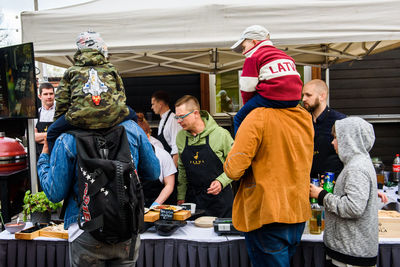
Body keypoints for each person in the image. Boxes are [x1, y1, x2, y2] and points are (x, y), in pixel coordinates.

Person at [37, 119, 160, 266]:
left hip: (85, 228)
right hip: (127, 227)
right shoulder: (133, 129)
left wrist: (44, 159)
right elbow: (153, 172)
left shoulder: (66, 138)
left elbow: (54, 193)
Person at [224, 105, 314, 266]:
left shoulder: (258, 116)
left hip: (267, 214)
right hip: (297, 212)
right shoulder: (303, 115)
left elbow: (233, 170)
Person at [46, 31, 136, 153]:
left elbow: (62, 101)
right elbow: (121, 95)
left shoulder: (71, 71)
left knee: (51, 133)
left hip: (79, 118)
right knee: (134, 118)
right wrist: (116, 110)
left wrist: (59, 121)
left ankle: (53, 165)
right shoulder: (111, 68)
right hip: (111, 115)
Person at [310, 117, 378, 267]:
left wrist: (321, 195)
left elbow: (353, 208)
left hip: (350, 256)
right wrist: (331, 191)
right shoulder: (359, 163)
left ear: (349, 139)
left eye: (336, 137)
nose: (332, 142)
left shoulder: (356, 168)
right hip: (351, 251)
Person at [230, 25, 303, 135]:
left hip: (272, 96)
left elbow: (247, 88)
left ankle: (239, 148)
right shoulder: (285, 56)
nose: (243, 52)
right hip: (295, 99)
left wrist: (248, 108)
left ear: (254, 43)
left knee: (239, 118)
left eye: (244, 47)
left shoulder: (253, 57)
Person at [175, 95, 234, 217]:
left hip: (221, 202)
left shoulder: (221, 135)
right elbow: (182, 169)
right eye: (177, 117)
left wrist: (221, 181)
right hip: (193, 201)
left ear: (195, 113)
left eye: (181, 117)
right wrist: (181, 195)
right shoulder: (180, 137)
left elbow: (236, 164)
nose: (178, 121)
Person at [302, 79, 346, 178]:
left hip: (331, 183)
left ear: (322, 96)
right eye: (303, 95)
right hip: (307, 182)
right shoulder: (303, 121)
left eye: (308, 95)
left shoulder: (340, 121)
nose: (304, 99)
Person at [136, 112, 177, 207]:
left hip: (158, 206)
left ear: (148, 136)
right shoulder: (126, 156)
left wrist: (155, 205)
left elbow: (169, 185)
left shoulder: (162, 155)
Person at [151, 90, 181, 166]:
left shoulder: (173, 120)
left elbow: (176, 149)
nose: (152, 107)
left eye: (153, 104)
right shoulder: (163, 120)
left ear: (160, 104)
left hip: (172, 167)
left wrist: (172, 172)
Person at [34, 82, 55, 160]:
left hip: (57, 154)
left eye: (51, 93)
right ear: (40, 96)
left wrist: (41, 137)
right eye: (45, 94)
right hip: (40, 155)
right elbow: (33, 137)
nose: (49, 97)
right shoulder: (35, 114)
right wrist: (53, 136)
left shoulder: (59, 112)